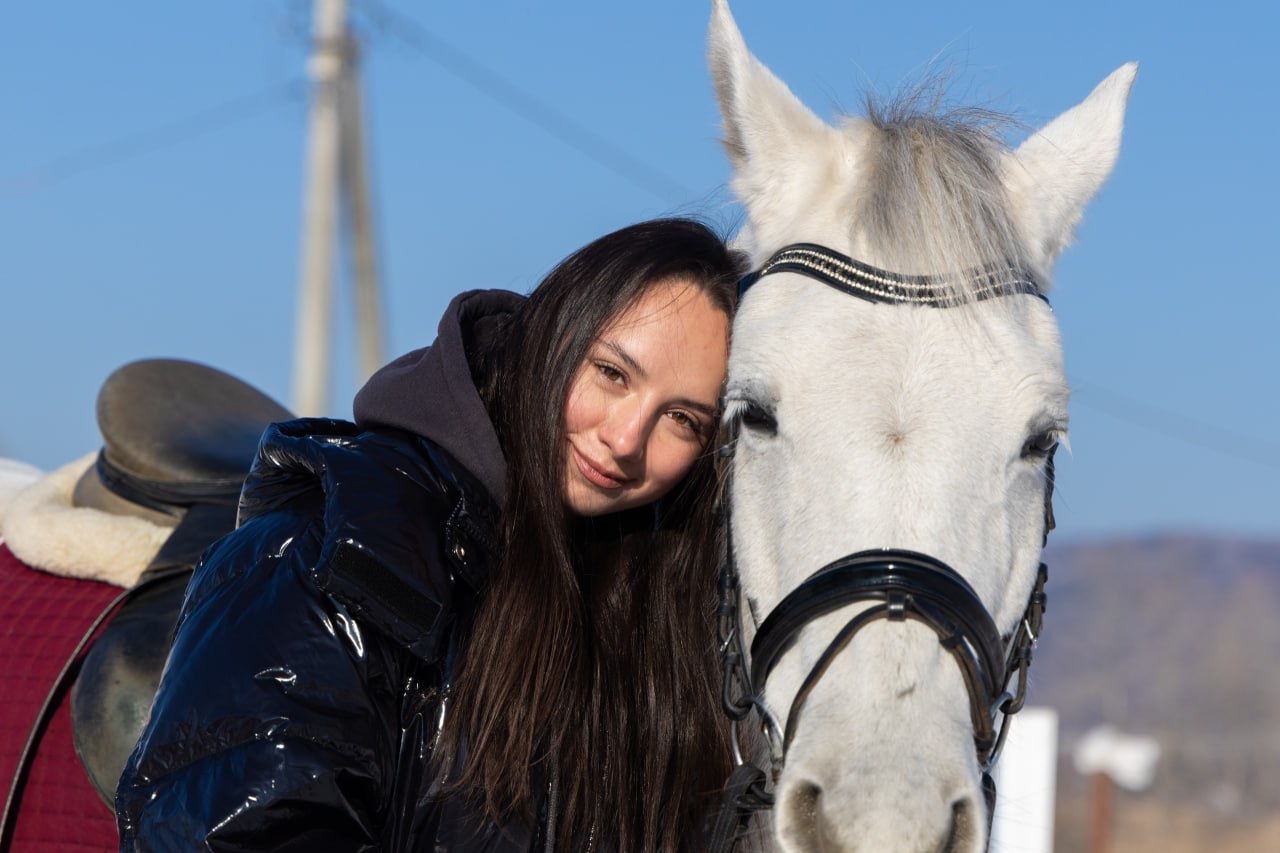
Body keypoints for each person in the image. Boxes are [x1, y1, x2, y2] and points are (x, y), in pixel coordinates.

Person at [116, 218, 742, 851]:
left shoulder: (658, 613)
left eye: (682, 419)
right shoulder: (327, 555)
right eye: (612, 373)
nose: (627, 439)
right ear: (550, 336)